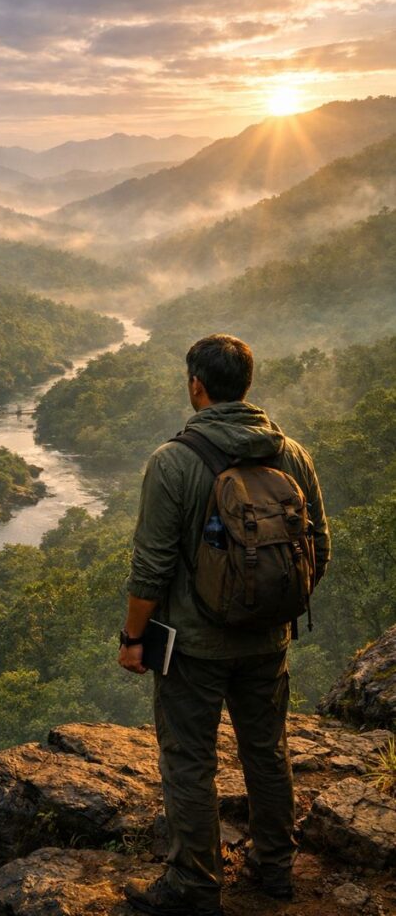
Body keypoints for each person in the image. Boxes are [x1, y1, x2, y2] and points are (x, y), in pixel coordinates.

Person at [118, 333, 330, 916]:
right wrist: (273, 609)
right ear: (247, 385)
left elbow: (151, 567)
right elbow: (320, 547)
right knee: (267, 751)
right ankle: (275, 869)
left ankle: (195, 885)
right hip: (269, 641)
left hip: (191, 649)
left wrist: (135, 639)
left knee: (190, 761)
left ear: (196, 386)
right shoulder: (292, 454)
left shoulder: (173, 461)